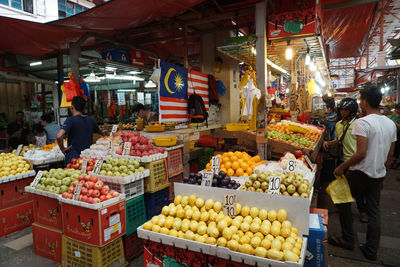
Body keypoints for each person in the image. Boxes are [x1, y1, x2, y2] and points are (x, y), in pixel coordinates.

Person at [329, 86, 396, 261]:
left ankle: (348, 238)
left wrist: (342, 166)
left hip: (360, 173)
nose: (360, 102)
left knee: (340, 197)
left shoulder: (363, 122)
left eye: (360, 99)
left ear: (364, 102)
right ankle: (371, 250)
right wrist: (383, 172)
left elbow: (361, 153)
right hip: (378, 174)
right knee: (374, 211)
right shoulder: (391, 124)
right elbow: (390, 155)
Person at [323, 98, 367, 223]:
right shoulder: (338, 124)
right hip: (341, 159)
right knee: (342, 184)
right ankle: (343, 209)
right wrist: (328, 143)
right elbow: (339, 139)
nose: (343, 112)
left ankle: (362, 211)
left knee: (356, 190)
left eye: (346, 110)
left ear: (352, 111)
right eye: (341, 109)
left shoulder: (358, 124)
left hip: (354, 161)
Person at [56, 96, 101, 164]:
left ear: (72, 107)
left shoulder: (70, 120)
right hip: (88, 159)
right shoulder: (91, 120)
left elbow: (59, 136)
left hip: (74, 159)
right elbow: (100, 133)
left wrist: (63, 149)